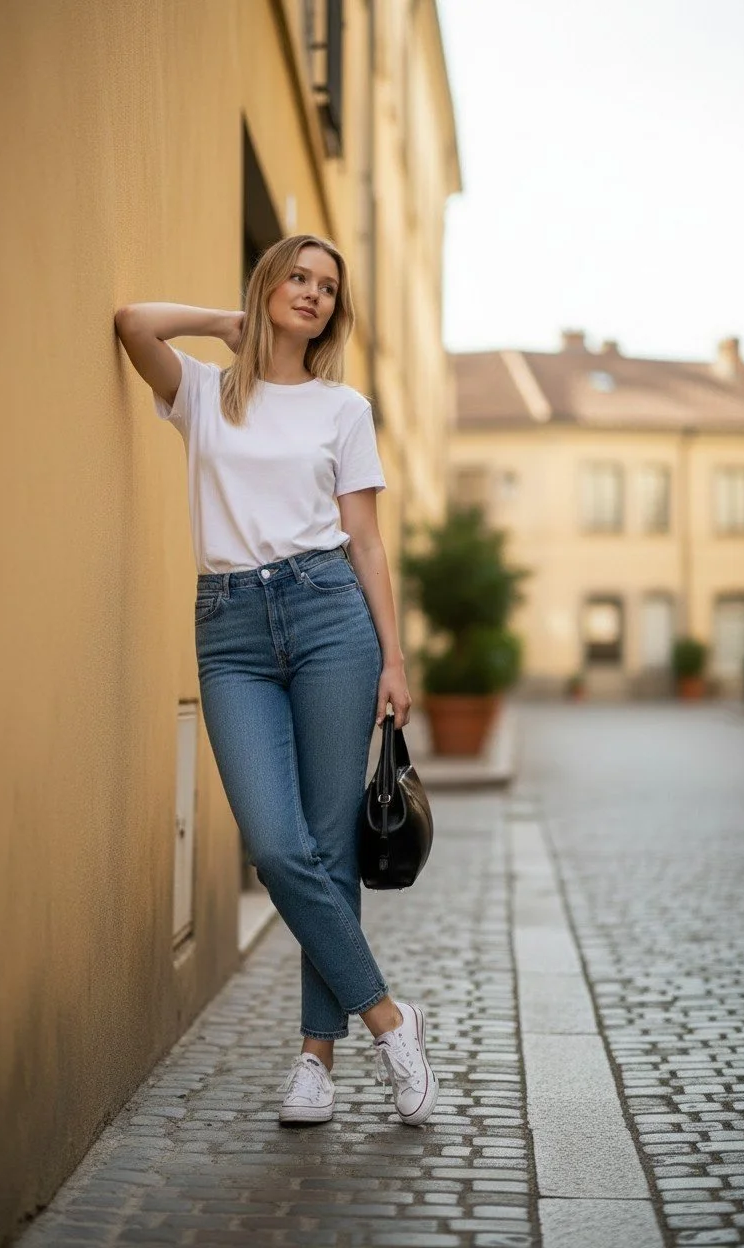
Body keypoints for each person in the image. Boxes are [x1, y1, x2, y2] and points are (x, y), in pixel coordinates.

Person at [114, 233, 438, 1127]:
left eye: (327, 287)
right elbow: (133, 323)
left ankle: (314, 1063)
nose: (312, 294)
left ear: (336, 310)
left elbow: (365, 540)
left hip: (331, 617)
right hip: (232, 631)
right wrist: (229, 322)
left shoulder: (344, 409)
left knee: (329, 850)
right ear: (267, 286)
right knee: (274, 843)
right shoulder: (204, 394)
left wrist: (394, 658)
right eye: (296, 277)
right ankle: (390, 1018)